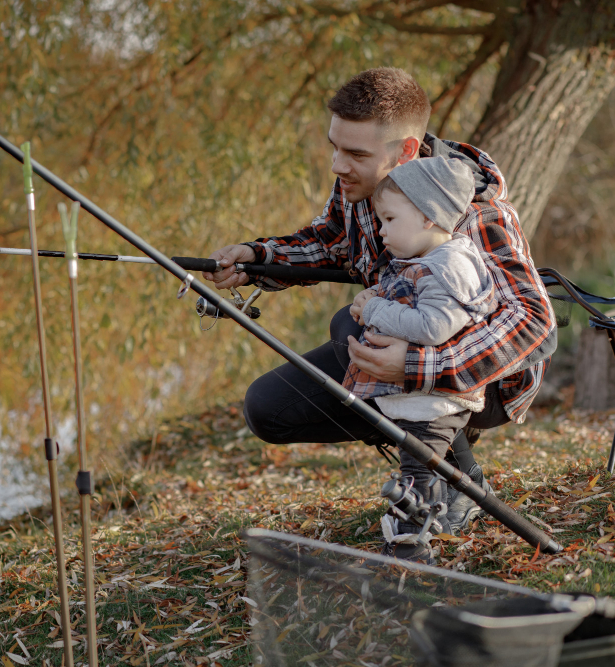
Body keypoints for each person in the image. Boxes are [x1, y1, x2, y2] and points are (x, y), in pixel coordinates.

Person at [203, 67, 555, 532]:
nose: (337, 165)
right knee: (267, 410)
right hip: (399, 348)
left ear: (405, 151)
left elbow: (534, 320)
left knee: (347, 327)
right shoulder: (359, 187)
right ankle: (439, 462)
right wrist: (256, 258)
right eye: (334, 146)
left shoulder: (474, 212)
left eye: (354, 153)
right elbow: (330, 241)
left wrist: (418, 366)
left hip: (488, 382)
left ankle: (451, 478)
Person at [344, 157, 495, 561]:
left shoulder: (451, 265)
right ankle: (437, 514)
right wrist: (371, 298)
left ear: (428, 216)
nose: (381, 230)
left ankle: (411, 545)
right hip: (416, 399)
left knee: (416, 475)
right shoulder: (425, 261)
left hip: (433, 403)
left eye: (390, 219)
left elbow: (433, 326)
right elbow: (407, 300)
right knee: (419, 470)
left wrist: (375, 311)